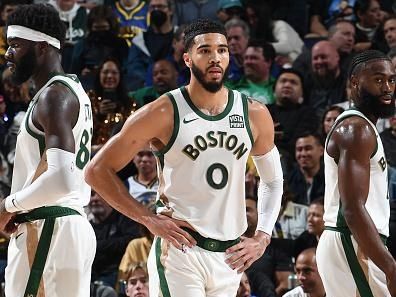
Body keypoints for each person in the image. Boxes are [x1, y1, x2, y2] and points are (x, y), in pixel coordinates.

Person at [85, 18, 284, 296]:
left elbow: (273, 180)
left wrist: (262, 236)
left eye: (222, 50)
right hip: (181, 252)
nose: (215, 58)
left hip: (230, 256)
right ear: (187, 58)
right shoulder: (163, 112)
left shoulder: (254, 113)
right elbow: (96, 171)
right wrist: (147, 218)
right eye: (205, 51)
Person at [1, 3, 96, 297]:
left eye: (15, 45)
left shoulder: (54, 96)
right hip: (58, 226)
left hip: (51, 229)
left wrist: (7, 206)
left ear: (42, 48)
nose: (7, 54)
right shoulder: (64, 91)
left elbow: (61, 179)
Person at [316, 50, 396, 296]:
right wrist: (390, 266)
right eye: (378, 79)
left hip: (356, 241)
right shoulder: (356, 129)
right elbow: (352, 208)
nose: (387, 87)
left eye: (391, 79)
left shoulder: (365, 127)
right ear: (354, 82)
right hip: (351, 241)